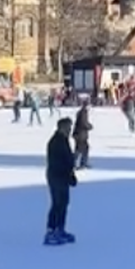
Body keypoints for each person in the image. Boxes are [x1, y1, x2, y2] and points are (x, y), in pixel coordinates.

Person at [44, 117, 77, 246]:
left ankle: (60, 229)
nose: (70, 130)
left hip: (62, 176)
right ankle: (52, 230)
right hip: (56, 176)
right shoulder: (55, 142)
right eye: (68, 127)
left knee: (63, 203)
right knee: (58, 203)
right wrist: (67, 172)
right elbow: (58, 162)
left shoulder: (63, 140)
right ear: (61, 128)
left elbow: (67, 159)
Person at [73, 102, 92, 169]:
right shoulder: (83, 113)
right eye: (89, 106)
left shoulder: (82, 112)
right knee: (79, 149)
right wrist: (89, 126)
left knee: (85, 148)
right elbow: (83, 123)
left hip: (80, 134)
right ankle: (76, 163)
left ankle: (83, 163)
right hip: (80, 134)